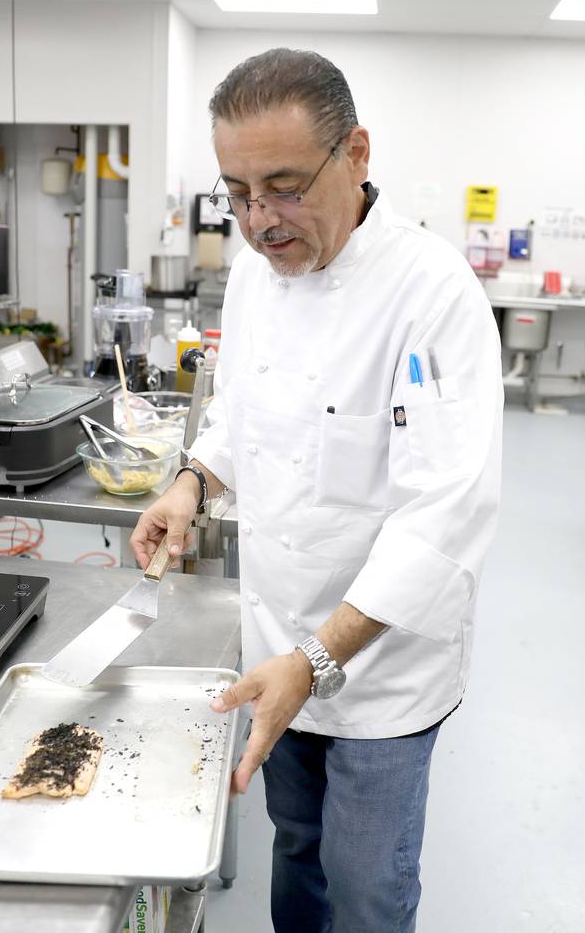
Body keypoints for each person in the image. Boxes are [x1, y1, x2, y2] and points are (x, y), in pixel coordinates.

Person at [130, 47, 502, 932]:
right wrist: (191, 481)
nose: (260, 220)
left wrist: (319, 662)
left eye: (285, 186)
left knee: (365, 881)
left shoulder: (432, 292)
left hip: (381, 670)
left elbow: (448, 511)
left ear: (358, 154)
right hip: (276, 638)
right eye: (237, 192)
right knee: (295, 844)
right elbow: (241, 414)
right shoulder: (258, 275)